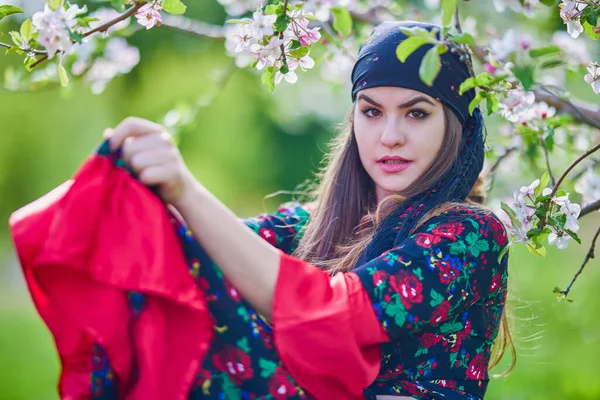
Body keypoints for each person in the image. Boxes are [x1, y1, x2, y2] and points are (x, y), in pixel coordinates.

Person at [13, 21, 513, 400]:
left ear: (458, 126)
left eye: (417, 113)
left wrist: (186, 188)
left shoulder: (470, 235)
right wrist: (136, 190)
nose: (389, 136)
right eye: (372, 111)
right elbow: (205, 252)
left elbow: (338, 313)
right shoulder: (314, 226)